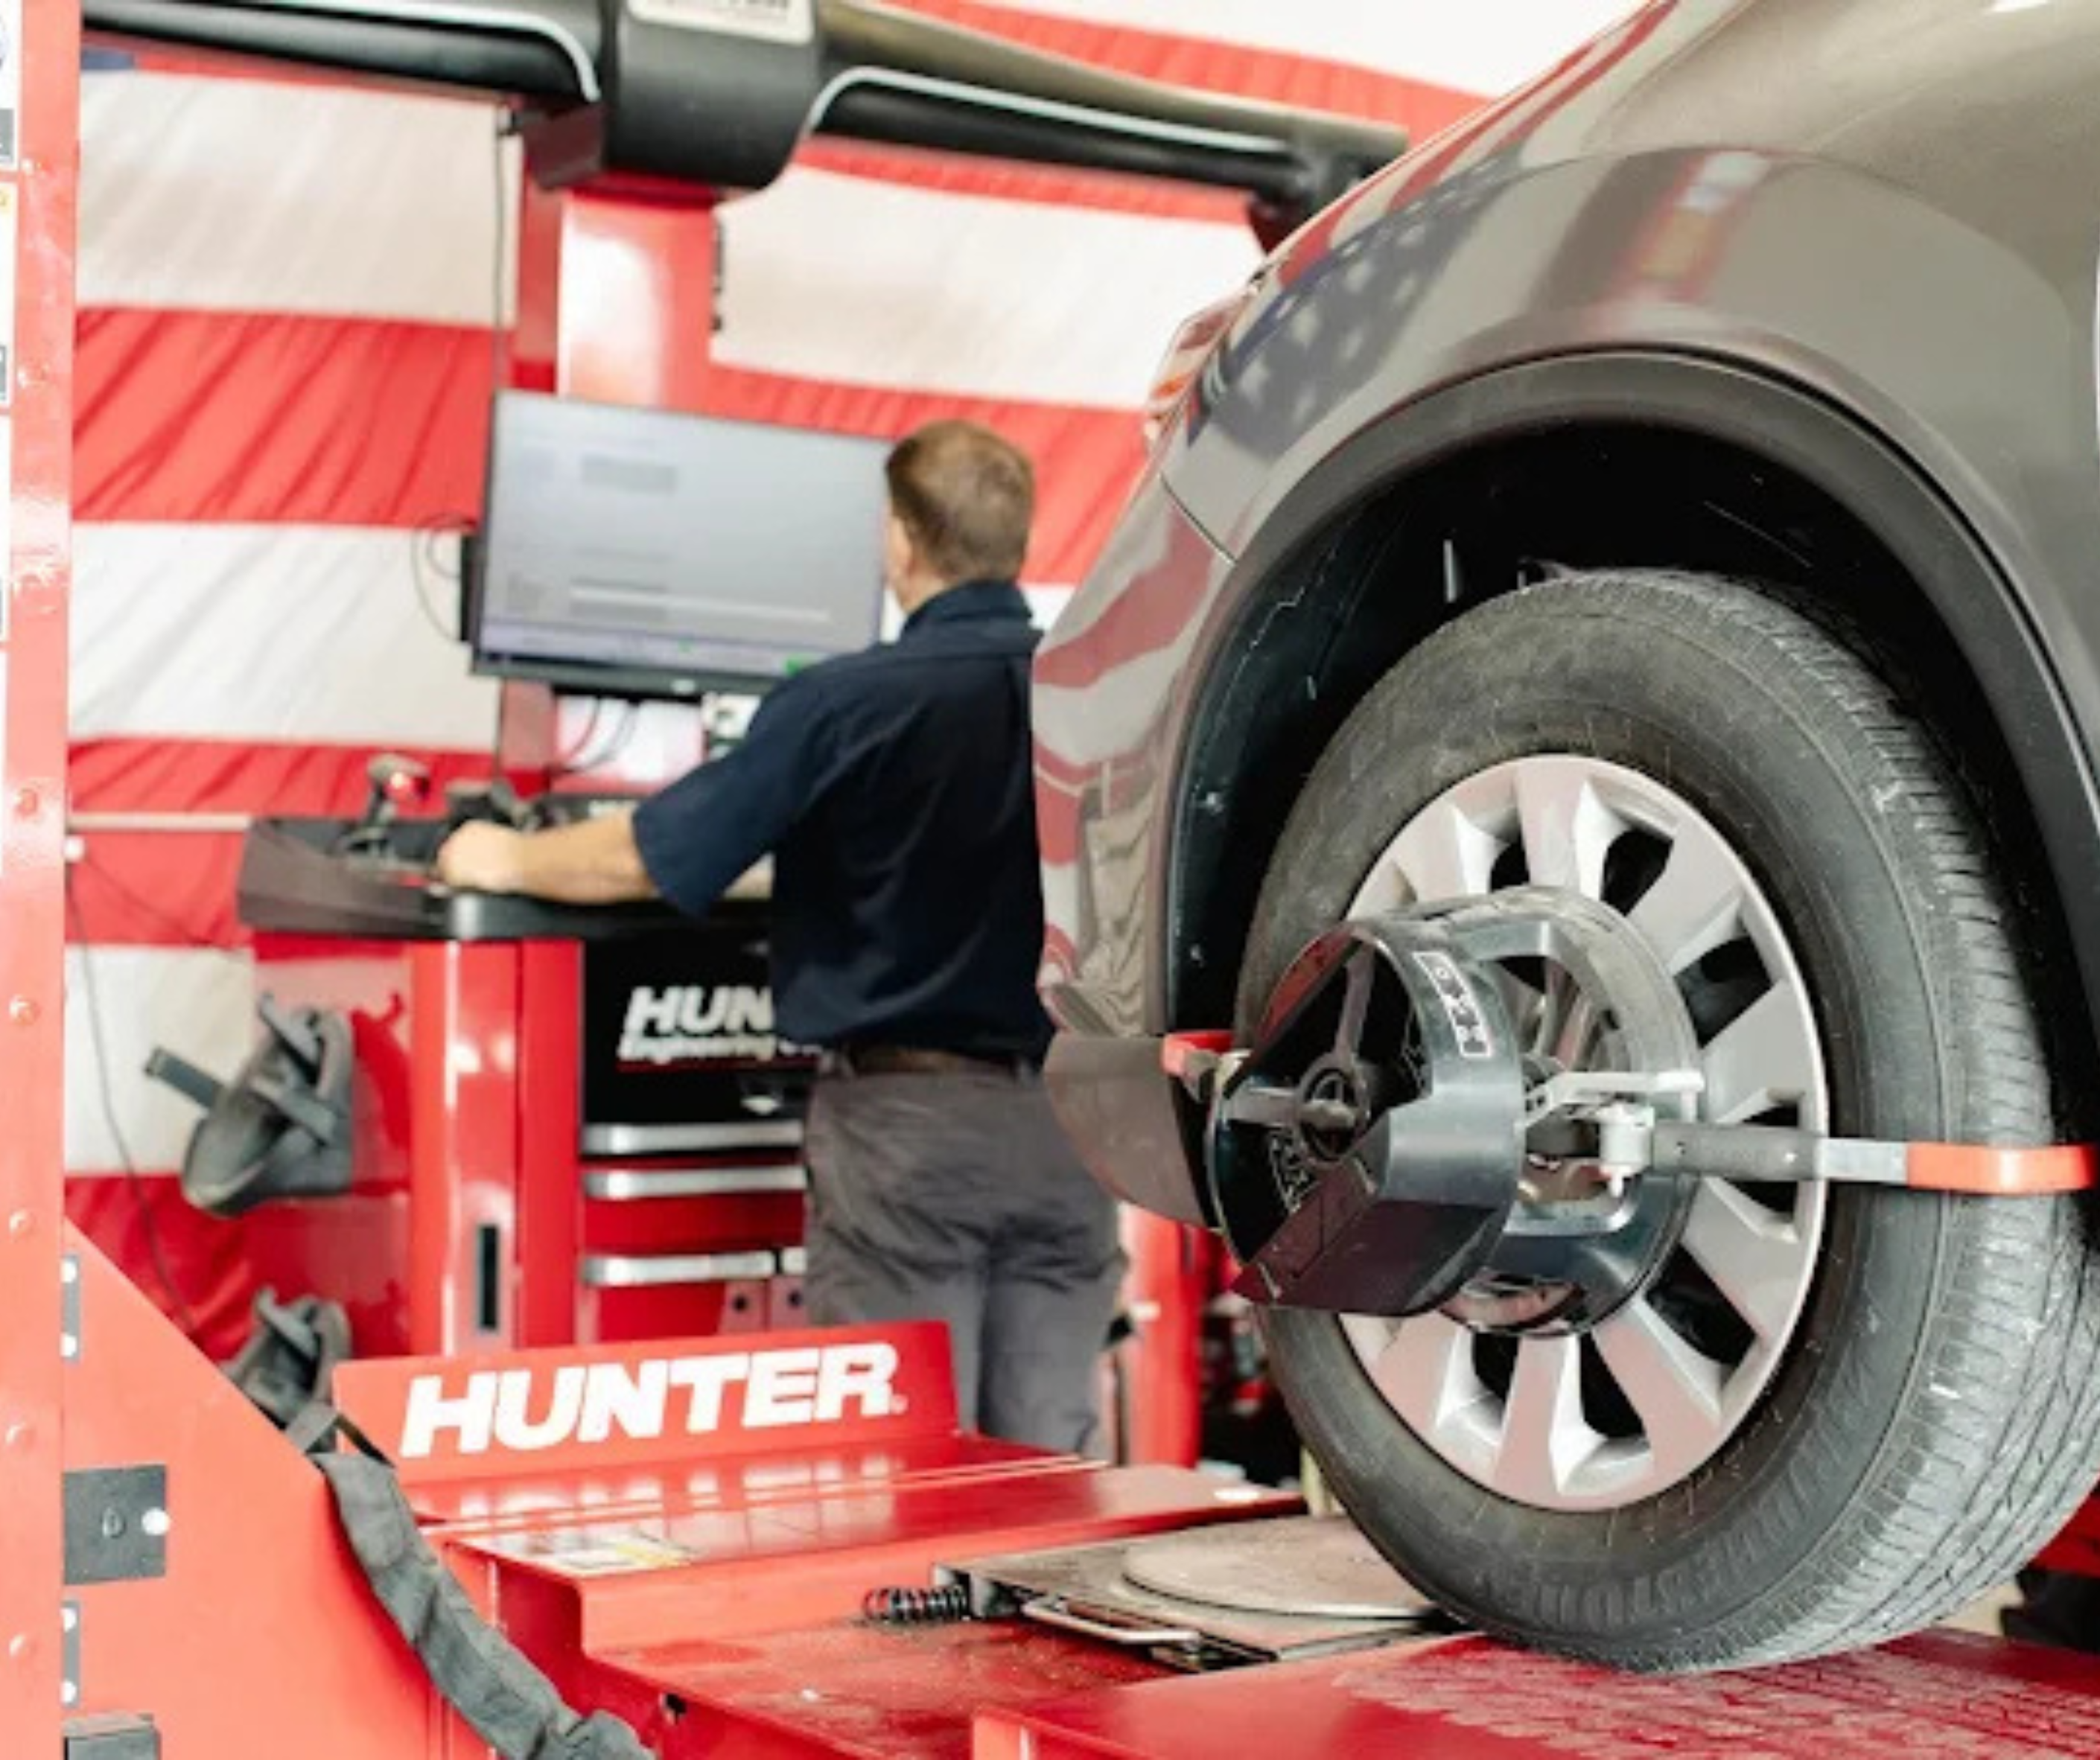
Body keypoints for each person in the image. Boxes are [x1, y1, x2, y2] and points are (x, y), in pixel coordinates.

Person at [435, 419, 1124, 1454]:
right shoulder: (1101, 701)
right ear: (1016, 540)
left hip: (908, 1134)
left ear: (899, 539)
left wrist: (501, 857)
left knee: (906, 1453)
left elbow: (650, 858)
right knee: (1047, 1458)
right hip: (1077, 1128)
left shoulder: (845, 703)